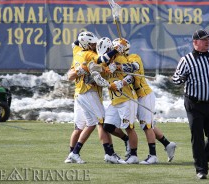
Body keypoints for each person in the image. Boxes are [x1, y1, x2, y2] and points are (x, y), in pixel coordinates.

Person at [172, 29, 209, 179]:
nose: (207, 42)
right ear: (195, 42)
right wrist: (183, 77)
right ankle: (201, 169)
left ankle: (202, 160)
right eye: (204, 40)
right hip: (194, 104)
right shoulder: (187, 60)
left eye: (208, 39)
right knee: (197, 136)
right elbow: (175, 79)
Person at [112, 38, 177, 164]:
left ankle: (153, 156)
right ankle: (167, 144)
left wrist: (118, 67)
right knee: (149, 124)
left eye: (116, 49)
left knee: (146, 125)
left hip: (144, 95)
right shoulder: (120, 60)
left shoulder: (133, 57)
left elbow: (134, 67)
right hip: (136, 97)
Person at [65, 32, 126, 164]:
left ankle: (74, 153)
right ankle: (109, 153)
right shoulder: (89, 54)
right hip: (88, 91)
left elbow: (75, 43)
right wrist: (116, 50)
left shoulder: (77, 50)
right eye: (92, 43)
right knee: (102, 122)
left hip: (82, 92)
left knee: (92, 123)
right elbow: (101, 60)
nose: (94, 45)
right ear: (86, 45)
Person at [90, 37, 139, 164]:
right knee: (108, 126)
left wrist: (120, 82)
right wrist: (102, 71)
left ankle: (134, 155)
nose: (106, 58)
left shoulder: (120, 59)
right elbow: (95, 71)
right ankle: (126, 140)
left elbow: (132, 76)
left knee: (129, 127)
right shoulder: (103, 63)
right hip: (114, 101)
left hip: (127, 99)